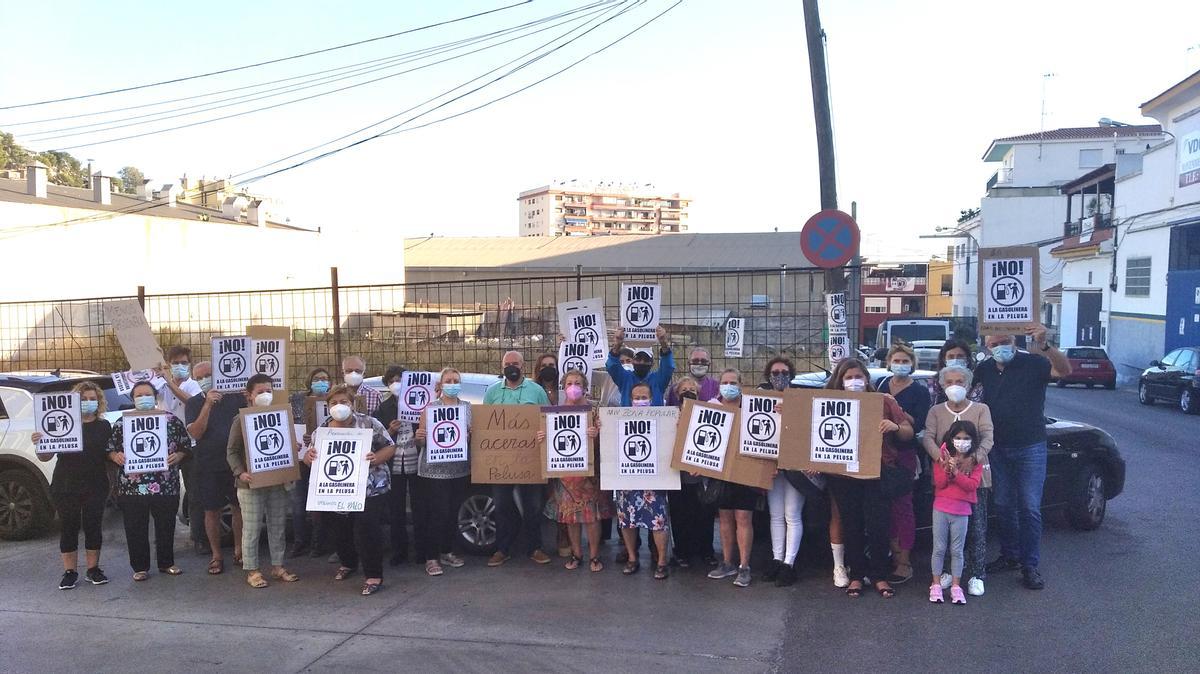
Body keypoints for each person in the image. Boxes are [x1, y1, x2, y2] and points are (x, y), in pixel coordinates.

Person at [976, 324, 1071, 591]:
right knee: (1004, 504)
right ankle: (1010, 556)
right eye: (994, 344)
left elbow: (1064, 371)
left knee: (1029, 507)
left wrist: (1045, 344)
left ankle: (1030, 565)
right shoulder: (983, 370)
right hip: (997, 448)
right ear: (987, 346)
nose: (999, 348)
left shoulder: (1034, 363)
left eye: (1004, 341)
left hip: (1030, 446)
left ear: (1014, 341)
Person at [824, 358, 913, 599]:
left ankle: (879, 575)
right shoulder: (828, 402)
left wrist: (894, 427)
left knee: (878, 525)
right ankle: (856, 575)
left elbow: (908, 430)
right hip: (842, 473)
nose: (854, 382)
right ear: (840, 381)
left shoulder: (883, 401)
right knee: (851, 524)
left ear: (867, 379)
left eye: (859, 377)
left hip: (877, 470)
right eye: (849, 377)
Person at [302, 384, 396, 596]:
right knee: (338, 529)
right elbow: (310, 457)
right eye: (334, 403)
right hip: (335, 491)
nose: (339, 406)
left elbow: (389, 446)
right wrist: (309, 458)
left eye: (344, 402)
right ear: (327, 407)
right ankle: (348, 563)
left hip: (370, 489)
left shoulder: (369, 423)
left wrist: (375, 459)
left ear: (352, 404)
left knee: (367, 530)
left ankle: (373, 575)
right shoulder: (322, 430)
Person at [106, 380, 192, 581]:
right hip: (132, 487)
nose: (143, 398)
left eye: (147, 394)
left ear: (155, 397)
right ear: (133, 398)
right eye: (138, 395)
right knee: (135, 527)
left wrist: (178, 456)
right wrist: (115, 456)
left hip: (165, 483)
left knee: (165, 525)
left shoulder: (170, 420)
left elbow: (185, 445)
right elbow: (109, 448)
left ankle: (166, 562)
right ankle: (140, 566)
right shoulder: (122, 422)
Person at [33, 381, 113, 590]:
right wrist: (40, 442)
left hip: (96, 483)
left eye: (92, 399)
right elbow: (44, 456)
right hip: (66, 483)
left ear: (99, 401)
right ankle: (70, 572)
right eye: (83, 399)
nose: (88, 403)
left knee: (93, 526)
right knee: (68, 526)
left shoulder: (104, 426)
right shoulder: (63, 422)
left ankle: (93, 569)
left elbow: (109, 456)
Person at [923, 364, 994, 596]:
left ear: (969, 385)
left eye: (960, 381)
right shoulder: (936, 411)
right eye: (950, 382)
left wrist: (973, 459)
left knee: (976, 528)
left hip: (975, 477)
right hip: (945, 480)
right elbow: (928, 438)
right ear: (942, 386)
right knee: (943, 534)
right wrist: (940, 459)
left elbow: (987, 438)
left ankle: (976, 574)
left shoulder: (981, 409)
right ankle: (945, 574)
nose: (955, 386)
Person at [227, 373, 299, 589]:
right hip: (250, 484)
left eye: (269, 390)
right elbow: (231, 451)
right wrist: (240, 473)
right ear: (249, 395)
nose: (266, 395)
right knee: (252, 528)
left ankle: (278, 566)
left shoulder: (281, 416)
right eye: (261, 391)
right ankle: (252, 570)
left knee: (277, 525)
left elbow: (287, 446)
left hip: (276, 481)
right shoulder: (241, 419)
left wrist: (292, 451)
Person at [483, 351, 552, 566]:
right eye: (507, 364)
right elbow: (484, 423)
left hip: (529, 458)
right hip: (500, 460)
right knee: (502, 505)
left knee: (532, 505)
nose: (511, 367)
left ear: (523, 366)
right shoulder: (492, 392)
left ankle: (535, 547)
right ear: (502, 366)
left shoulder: (536, 390)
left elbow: (548, 418)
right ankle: (503, 548)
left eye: (515, 363)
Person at [539, 370, 611, 573]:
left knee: (591, 517)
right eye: (569, 383)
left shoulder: (595, 412)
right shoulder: (553, 413)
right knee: (570, 517)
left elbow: (608, 441)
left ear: (585, 387)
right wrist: (542, 436)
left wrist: (596, 434)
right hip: (565, 474)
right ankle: (576, 554)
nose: (573, 387)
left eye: (577, 383)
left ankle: (595, 556)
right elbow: (549, 442)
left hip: (589, 474)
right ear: (564, 387)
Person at [877, 344, 930, 585]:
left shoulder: (919, 391)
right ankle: (891, 552)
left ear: (912, 363)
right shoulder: (880, 386)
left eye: (904, 360)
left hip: (904, 455)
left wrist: (896, 411)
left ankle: (905, 561)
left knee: (903, 508)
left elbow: (918, 425)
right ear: (889, 362)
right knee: (883, 509)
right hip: (877, 454)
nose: (900, 364)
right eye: (896, 360)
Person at [184, 362, 245, 575]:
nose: (205, 380)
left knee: (239, 507)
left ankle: (239, 550)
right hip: (208, 464)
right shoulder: (193, 403)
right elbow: (196, 433)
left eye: (209, 375)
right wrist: (208, 405)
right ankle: (216, 555)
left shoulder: (236, 398)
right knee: (211, 511)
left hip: (236, 462)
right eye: (200, 377)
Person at [413, 368, 472, 576]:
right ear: (441, 384)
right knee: (437, 514)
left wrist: (469, 435)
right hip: (433, 471)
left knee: (453, 513)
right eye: (448, 380)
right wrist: (419, 436)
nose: (452, 383)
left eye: (456, 380)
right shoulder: (429, 409)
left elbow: (472, 436)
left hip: (459, 470)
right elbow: (420, 443)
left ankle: (447, 552)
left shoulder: (467, 408)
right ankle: (431, 558)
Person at [706, 368, 760, 588]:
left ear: (741, 384)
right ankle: (728, 562)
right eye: (725, 382)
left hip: (745, 469)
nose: (728, 386)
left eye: (733, 382)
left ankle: (744, 566)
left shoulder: (752, 407)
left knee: (743, 519)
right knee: (725, 518)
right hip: (720, 471)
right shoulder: (711, 407)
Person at [614, 381, 671, 579]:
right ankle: (632, 558)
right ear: (630, 400)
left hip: (654, 479)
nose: (640, 401)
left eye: (644, 397)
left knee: (658, 521)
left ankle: (662, 561)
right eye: (636, 398)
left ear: (652, 398)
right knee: (627, 521)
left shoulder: (664, 418)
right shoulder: (617, 419)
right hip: (626, 478)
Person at [758, 357, 803, 587]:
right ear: (768, 375)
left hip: (795, 465)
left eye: (784, 372)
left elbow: (808, 428)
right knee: (775, 514)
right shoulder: (761, 398)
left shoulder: (802, 399)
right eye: (775, 372)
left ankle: (789, 563)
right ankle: (776, 558)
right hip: (772, 464)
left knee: (792, 514)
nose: (779, 376)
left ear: (791, 375)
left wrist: (792, 411)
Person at [928, 421, 984, 605]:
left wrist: (957, 474)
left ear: (973, 440)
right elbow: (940, 483)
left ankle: (956, 586)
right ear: (951, 439)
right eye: (958, 438)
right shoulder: (942, 458)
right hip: (941, 508)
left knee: (957, 550)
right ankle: (935, 585)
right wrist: (947, 469)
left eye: (966, 438)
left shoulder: (975, 462)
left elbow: (972, 485)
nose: (961, 442)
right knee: (939, 548)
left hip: (961, 511)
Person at [667, 376, 717, 568]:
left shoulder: (708, 413)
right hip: (676, 475)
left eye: (692, 389)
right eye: (683, 389)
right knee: (680, 515)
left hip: (701, 475)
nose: (688, 392)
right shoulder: (669, 416)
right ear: (676, 394)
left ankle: (706, 551)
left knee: (704, 515)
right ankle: (681, 552)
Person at [158, 345, 204, 552]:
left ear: (190, 364)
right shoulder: (160, 385)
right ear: (168, 365)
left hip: (190, 446)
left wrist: (168, 382)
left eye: (184, 363)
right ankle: (163, 541)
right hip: (164, 447)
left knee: (195, 494)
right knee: (165, 496)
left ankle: (198, 537)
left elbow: (192, 403)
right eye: (175, 363)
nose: (179, 367)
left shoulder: (194, 386)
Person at [373, 365, 416, 567]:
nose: (395, 384)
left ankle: (421, 549)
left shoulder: (419, 402)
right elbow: (377, 440)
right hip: (394, 464)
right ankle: (400, 551)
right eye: (391, 381)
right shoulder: (383, 408)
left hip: (416, 462)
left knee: (420, 506)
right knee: (396, 510)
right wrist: (390, 430)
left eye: (399, 379)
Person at [286, 367, 331, 558]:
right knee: (298, 503)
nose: (321, 381)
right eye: (317, 378)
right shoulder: (296, 399)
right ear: (310, 381)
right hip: (301, 458)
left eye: (325, 379)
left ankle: (318, 544)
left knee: (319, 505)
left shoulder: (332, 401)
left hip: (323, 459)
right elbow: (287, 423)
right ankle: (299, 542)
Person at [605, 326, 675, 406]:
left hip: (655, 418)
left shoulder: (658, 380)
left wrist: (664, 343)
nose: (642, 362)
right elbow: (612, 366)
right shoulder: (625, 378)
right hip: (628, 418)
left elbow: (668, 367)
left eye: (646, 359)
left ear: (652, 363)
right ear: (633, 361)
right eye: (638, 359)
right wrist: (617, 344)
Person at [925, 338, 984, 404]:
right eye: (951, 357)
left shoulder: (976, 384)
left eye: (960, 356)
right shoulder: (934, 384)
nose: (955, 359)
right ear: (944, 360)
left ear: (967, 359)